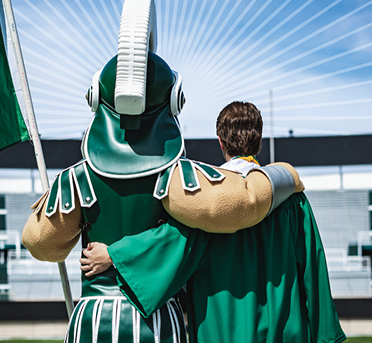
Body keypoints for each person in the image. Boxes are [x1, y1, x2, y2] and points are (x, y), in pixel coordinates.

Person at [21, 0, 304, 343]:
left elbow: (39, 243)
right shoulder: (176, 179)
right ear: (173, 101)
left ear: (96, 97)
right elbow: (245, 204)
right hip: (154, 322)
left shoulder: (75, 181)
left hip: (91, 321)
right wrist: (285, 174)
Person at [79, 102, 346, 343]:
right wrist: (325, 334)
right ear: (259, 141)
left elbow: (170, 242)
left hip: (222, 332)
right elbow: (313, 269)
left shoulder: (208, 204)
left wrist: (113, 255)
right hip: (285, 331)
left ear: (220, 141)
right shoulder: (293, 202)